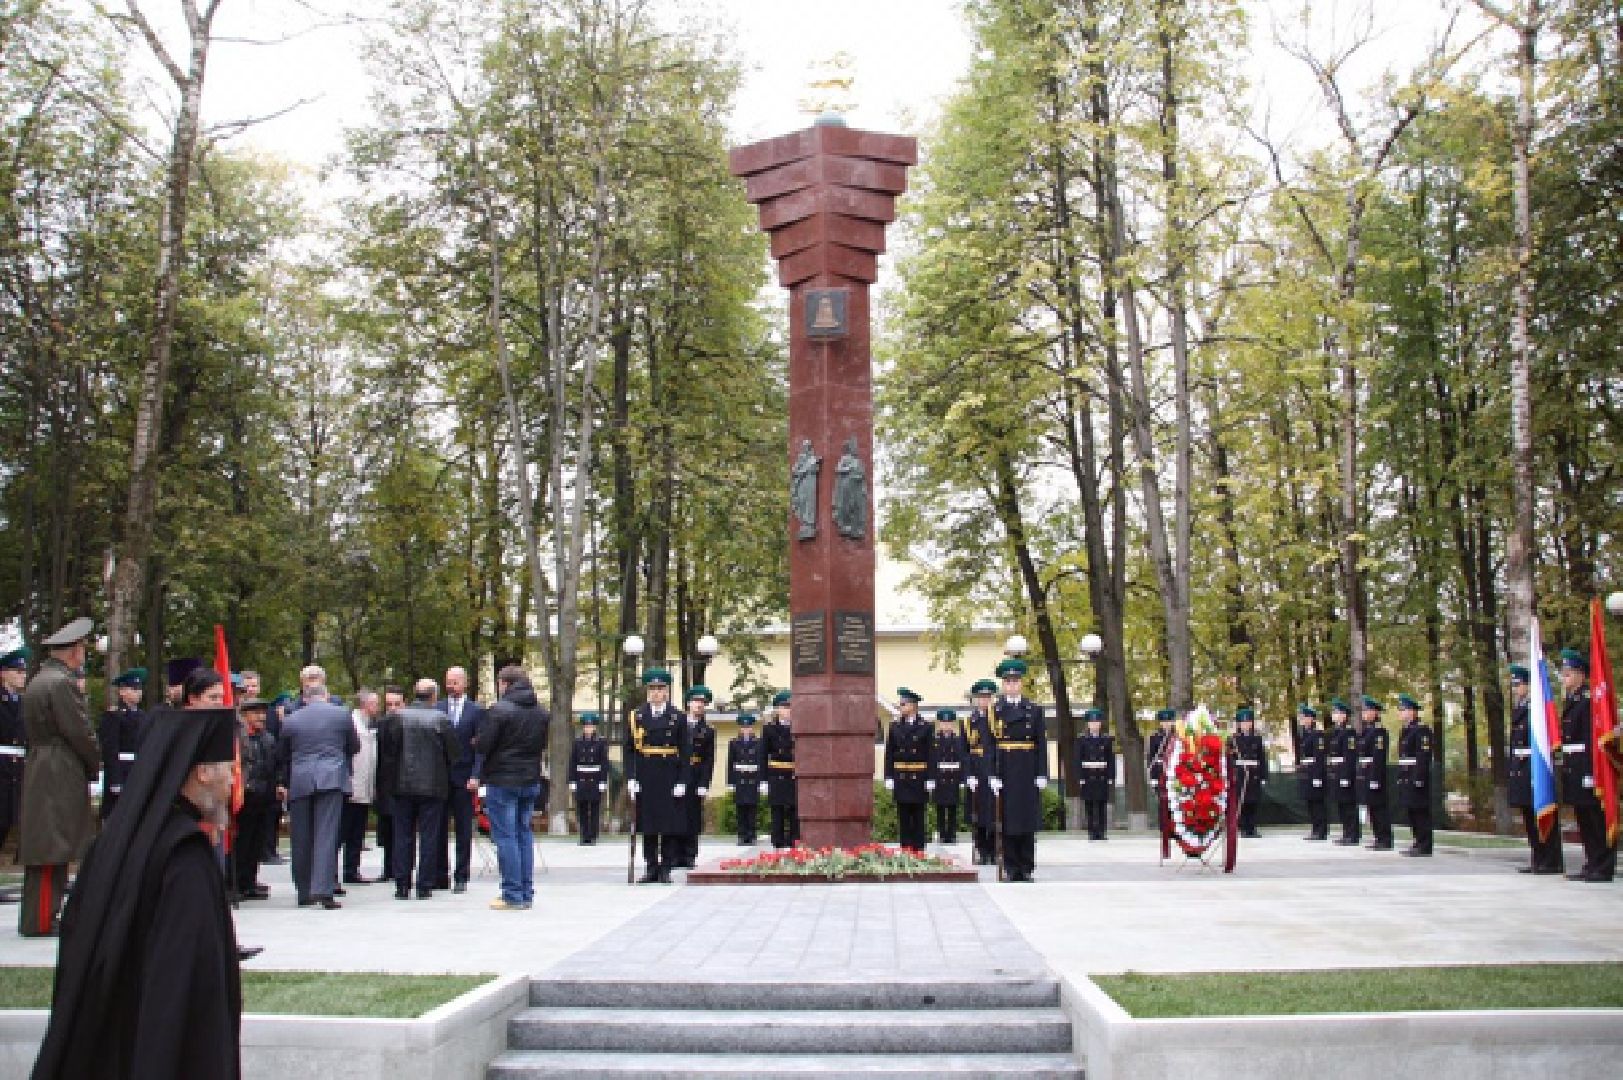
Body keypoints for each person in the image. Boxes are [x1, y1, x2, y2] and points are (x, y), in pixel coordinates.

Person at [30, 707, 242, 1078]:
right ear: (203, 772)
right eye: (229, 768)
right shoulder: (184, 856)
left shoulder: (115, 843)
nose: (233, 783)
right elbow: (185, 987)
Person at [18, 618, 99, 937]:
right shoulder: (62, 683)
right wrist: (94, 762)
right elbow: (79, 731)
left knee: (48, 841)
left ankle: (41, 915)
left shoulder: (40, 679)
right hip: (60, 766)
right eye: (81, 648)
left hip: (43, 762)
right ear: (73, 651)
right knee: (54, 845)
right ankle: (41, 920)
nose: (83, 654)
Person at [472, 665, 548, 910]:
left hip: (503, 780)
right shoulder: (540, 713)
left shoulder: (500, 711)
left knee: (505, 837)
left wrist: (476, 741)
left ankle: (512, 893)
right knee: (523, 834)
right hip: (530, 779)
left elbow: (484, 745)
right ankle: (526, 891)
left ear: (504, 683)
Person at [276, 682, 357, 909]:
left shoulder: (291, 719)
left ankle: (303, 892)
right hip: (331, 778)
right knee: (326, 833)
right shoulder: (342, 715)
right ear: (326, 695)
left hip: (301, 779)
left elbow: (282, 753)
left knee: (300, 836)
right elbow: (354, 746)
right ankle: (323, 889)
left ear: (304, 698)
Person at [378, 679, 455, 899]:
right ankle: (424, 884)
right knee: (429, 836)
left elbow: (389, 753)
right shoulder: (441, 719)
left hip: (402, 785)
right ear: (433, 696)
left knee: (403, 834)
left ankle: (401, 883)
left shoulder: (398, 719)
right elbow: (453, 753)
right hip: (432, 787)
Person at [626, 668, 691, 883]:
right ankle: (651, 866)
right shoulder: (638, 716)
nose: (656, 693)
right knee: (649, 824)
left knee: (669, 825)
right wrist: (631, 777)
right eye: (652, 689)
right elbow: (630, 750)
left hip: (669, 775)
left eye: (660, 689)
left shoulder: (678, 717)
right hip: (646, 775)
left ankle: (666, 868)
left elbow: (685, 751)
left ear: (667, 692)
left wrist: (682, 780)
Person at [990, 658, 1048, 882]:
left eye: (1015, 681)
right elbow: (990, 746)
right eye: (1008, 682)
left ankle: (1026, 867)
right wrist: (993, 775)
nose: (1012, 685)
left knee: (1027, 820)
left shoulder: (1033, 710)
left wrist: (1042, 772)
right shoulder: (995, 711)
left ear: (1020, 684)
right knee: (1008, 821)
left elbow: (1041, 744)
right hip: (1005, 768)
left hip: (1027, 768)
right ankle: (1011, 867)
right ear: (1003, 685)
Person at [1559, 649, 1614, 882]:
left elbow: (1592, 740)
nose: (1564, 678)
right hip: (1574, 767)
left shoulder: (1588, 702)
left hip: (1586, 768)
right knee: (1583, 818)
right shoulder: (1572, 702)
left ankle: (1602, 866)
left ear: (1582, 675)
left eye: (1569, 674)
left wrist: (1591, 772)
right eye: (1564, 674)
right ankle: (1591, 863)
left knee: (1595, 819)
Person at [1507, 665, 1564, 874]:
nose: (1516, 689)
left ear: (1530, 686)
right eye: (1514, 685)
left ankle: (1550, 860)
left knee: (1541, 812)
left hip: (1534, 768)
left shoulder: (1535, 709)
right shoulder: (1520, 707)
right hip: (1521, 769)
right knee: (1529, 817)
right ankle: (1538, 857)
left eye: (1519, 684)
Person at [437, 666, 484, 894]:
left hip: (464, 779)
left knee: (463, 829)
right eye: (448, 681)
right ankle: (440, 874)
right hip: (440, 779)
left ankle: (461, 875)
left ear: (464, 683)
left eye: (455, 682)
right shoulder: (438, 709)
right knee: (438, 828)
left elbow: (480, 749)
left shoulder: (475, 711)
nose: (451, 685)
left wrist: (476, 775)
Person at [234, 698, 278, 900]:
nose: (261, 717)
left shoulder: (267, 738)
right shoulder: (239, 738)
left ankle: (250, 881)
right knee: (242, 842)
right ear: (244, 715)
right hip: (246, 796)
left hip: (264, 797)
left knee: (256, 843)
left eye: (263, 713)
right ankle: (238, 883)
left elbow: (273, 765)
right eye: (255, 713)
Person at [885, 688, 934, 851]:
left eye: (903, 704)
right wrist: (889, 776)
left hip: (919, 777)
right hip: (901, 777)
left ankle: (919, 850)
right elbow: (889, 753)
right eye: (900, 704)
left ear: (913, 706)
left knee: (919, 816)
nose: (901, 707)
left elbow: (931, 754)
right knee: (904, 817)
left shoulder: (926, 727)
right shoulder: (895, 726)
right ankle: (905, 850)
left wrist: (930, 778)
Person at [340, 691, 381, 886]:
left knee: (357, 833)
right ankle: (335, 872)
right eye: (375, 704)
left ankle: (352, 870)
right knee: (343, 832)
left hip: (365, 786)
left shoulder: (370, 725)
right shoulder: (351, 723)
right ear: (366, 705)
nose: (378, 708)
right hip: (352, 785)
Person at [98, 668, 147, 823]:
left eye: (139, 689)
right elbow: (110, 750)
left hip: (136, 772)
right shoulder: (114, 716)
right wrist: (115, 780)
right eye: (133, 689)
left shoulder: (143, 716)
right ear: (122, 692)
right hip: (121, 771)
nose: (138, 692)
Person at [676, 686, 717, 868]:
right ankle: (674, 854)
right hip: (677, 775)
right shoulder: (677, 725)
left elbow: (709, 760)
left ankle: (690, 855)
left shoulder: (707, 731)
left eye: (702, 703)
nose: (699, 706)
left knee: (693, 817)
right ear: (688, 704)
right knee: (676, 815)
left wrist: (704, 783)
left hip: (695, 774)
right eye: (696, 702)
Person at [1394, 694, 1435, 857]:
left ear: (1412, 712)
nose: (1400, 712)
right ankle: (1417, 841)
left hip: (1416, 775)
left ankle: (1425, 845)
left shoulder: (1422, 730)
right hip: (1407, 775)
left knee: (1420, 811)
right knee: (1411, 810)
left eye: (1403, 709)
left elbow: (1423, 756)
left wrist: (1419, 778)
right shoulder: (1406, 730)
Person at [964, 679, 998, 864]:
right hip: (977, 772)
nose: (984, 701)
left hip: (992, 771)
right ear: (976, 699)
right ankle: (981, 849)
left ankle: (994, 849)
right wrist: (968, 774)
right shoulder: (970, 722)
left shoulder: (997, 720)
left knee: (993, 813)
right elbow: (965, 751)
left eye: (987, 697)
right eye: (981, 697)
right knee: (977, 813)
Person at [0, 647, 30, 853]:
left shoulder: (23, 702)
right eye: (17, 671)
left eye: (24, 672)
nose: (22, 676)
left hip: (15, 771)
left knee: (7, 823)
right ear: (3, 673)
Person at [376, 686, 407, 879]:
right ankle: (388, 869)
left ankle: (400, 867)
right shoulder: (379, 725)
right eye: (389, 705)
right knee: (386, 827)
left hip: (404, 783)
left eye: (397, 704)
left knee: (401, 827)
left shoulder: (409, 726)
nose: (393, 708)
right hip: (384, 783)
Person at [764, 690, 799, 849]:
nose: (787, 711)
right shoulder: (769, 729)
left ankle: (794, 841)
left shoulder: (798, 729)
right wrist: (763, 779)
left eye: (790, 707)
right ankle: (777, 842)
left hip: (794, 773)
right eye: (784, 707)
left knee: (794, 810)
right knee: (777, 810)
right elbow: (762, 755)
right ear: (777, 709)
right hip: (776, 773)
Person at [1074, 708, 1115, 841]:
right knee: (1090, 805)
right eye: (1092, 722)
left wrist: (1110, 776)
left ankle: (1101, 832)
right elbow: (1078, 759)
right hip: (1088, 775)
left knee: (1102, 805)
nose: (1095, 725)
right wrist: (1080, 777)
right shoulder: (1082, 740)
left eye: (1097, 722)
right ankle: (1092, 832)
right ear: (1088, 724)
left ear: (1100, 724)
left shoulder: (1107, 739)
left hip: (1101, 775)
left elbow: (1110, 759)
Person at [568, 712, 608, 845]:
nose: (588, 729)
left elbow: (604, 762)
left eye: (591, 726)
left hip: (595, 778)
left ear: (594, 727)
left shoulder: (600, 742)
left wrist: (603, 780)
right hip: (581, 778)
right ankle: (584, 835)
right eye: (586, 726)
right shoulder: (578, 742)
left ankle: (593, 835)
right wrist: (572, 780)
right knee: (582, 808)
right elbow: (573, 762)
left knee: (595, 809)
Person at [1359, 697, 1393, 851]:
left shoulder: (1379, 732)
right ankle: (1378, 837)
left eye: (1367, 710)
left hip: (1375, 774)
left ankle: (1385, 839)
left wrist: (1375, 778)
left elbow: (1378, 757)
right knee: (1372, 807)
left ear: (1375, 712)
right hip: (1367, 773)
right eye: (1364, 710)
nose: (1364, 713)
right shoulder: (1367, 731)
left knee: (1379, 807)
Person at [1228, 707, 1267, 838]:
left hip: (1254, 773)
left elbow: (1262, 758)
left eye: (1248, 722)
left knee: (1253, 801)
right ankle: (1244, 827)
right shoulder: (1234, 739)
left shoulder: (1257, 738)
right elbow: (1230, 759)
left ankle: (1252, 828)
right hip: (1240, 773)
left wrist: (1263, 776)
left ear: (1251, 723)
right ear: (1239, 724)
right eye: (1243, 722)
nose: (1246, 724)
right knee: (1242, 801)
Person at [726, 713, 764, 845]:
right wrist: (730, 782)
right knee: (740, 809)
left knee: (752, 809)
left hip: (753, 778)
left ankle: (752, 835)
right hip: (740, 778)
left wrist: (762, 781)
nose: (746, 729)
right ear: (740, 728)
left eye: (748, 727)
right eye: (743, 727)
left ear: (752, 728)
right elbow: (730, 763)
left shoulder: (759, 743)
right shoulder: (734, 743)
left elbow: (761, 762)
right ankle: (742, 836)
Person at [931, 708, 966, 845]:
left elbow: (962, 759)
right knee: (940, 808)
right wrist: (932, 778)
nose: (946, 725)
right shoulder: (935, 740)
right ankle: (942, 833)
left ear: (953, 724)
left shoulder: (958, 740)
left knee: (952, 808)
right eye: (943, 723)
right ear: (939, 724)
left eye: (949, 723)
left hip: (954, 776)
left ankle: (951, 834)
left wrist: (962, 779)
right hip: (940, 777)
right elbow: (932, 760)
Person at [1329, 699, 1361, 846]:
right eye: (1333, 712)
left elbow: (1350, 756)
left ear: (1344, 715)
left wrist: (1346, 776)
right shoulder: (1337, 732)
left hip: (1345, 773)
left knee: (1349, 805)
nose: (1333, 715)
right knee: (1342, 805)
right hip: (1337, 772)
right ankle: (1346, 833)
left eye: (1336, 712)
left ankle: (1353, 834)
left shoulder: (1349, 733)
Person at [1296, 705, 1329, 841]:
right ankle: (1315, 829)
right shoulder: (1305, 734)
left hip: (1315, 772)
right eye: (1301, 717)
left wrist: (1317, 776)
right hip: (1307, 772)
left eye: (1304, 717)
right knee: (1310, 803)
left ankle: (1321, 830)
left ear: (1311, 719)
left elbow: (1319, 757)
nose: (1301, 719)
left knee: (1317, 803)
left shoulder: (1318, 735)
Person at [1147, 708, 1176, 839]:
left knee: (1174, 801)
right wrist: (1153, 777)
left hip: (1174, 771)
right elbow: (1151, 758)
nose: (1166, 724)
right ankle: (1163, 828)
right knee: (1162, 801)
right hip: (1160, 772)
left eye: (1169, 721)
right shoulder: (1154, 737)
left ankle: (1174, 828)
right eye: (1164, 721)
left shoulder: (1177, 737)